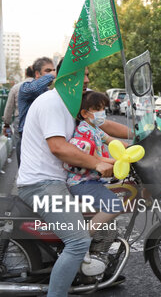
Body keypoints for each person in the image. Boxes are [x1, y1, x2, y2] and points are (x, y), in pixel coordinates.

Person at [16, 66, 114, 297]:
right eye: (83, 74)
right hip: (42, 184)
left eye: (89, 74)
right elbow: (59, 147)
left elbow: (102, 128)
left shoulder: (68, 104)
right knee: (78, 242)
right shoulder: (52, 102)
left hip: (57, 180)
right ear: (66, 76)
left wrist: (133, 140)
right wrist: (96, 164)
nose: (88, 79)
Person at [64, 91, 125, 263]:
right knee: (114, 204)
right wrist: (117, 160)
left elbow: (112, 141)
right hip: (81, 182)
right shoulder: (84, 130)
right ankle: (81, 241)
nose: (102, 113)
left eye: (103, 109)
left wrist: (134, 148)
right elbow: (95, 158)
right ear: (85, 113)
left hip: (90, 180)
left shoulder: (95, 129)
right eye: (97, 109)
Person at [16, 57, 56, 163]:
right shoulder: (25, 88)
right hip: (27, 141)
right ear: (37, 74)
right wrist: (51, 76)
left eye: (53, 70)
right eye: (47, 71)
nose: (52, 73)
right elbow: (33, 89)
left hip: (43, 141)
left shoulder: (49, 93)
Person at [3, 66, 35, 164]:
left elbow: (9, 107)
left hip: (19, 119)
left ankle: (21, 168)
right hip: (35, 120)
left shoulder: (16, 87)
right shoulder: (39, 87)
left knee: (19, 144)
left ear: (25, 73)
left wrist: (6, 124)